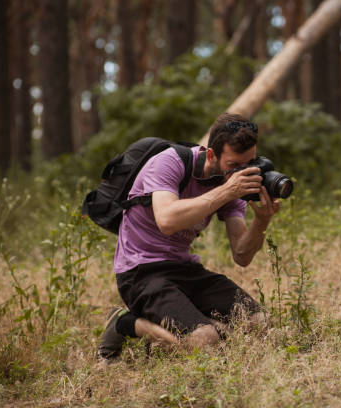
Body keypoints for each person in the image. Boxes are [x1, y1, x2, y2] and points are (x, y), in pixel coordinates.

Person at [97, 112, 280, 359]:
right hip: (141, 272)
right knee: (206, 342)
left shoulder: (231, 184)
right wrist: (227, 191)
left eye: (248, 163)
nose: (241, 173)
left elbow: (242, 255)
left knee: (260, 324)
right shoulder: (169, 163)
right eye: (234, 166)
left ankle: (200, 324)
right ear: (211, 154)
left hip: (185, 269)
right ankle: (124, 323)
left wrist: (261, 220)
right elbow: (167, 220)